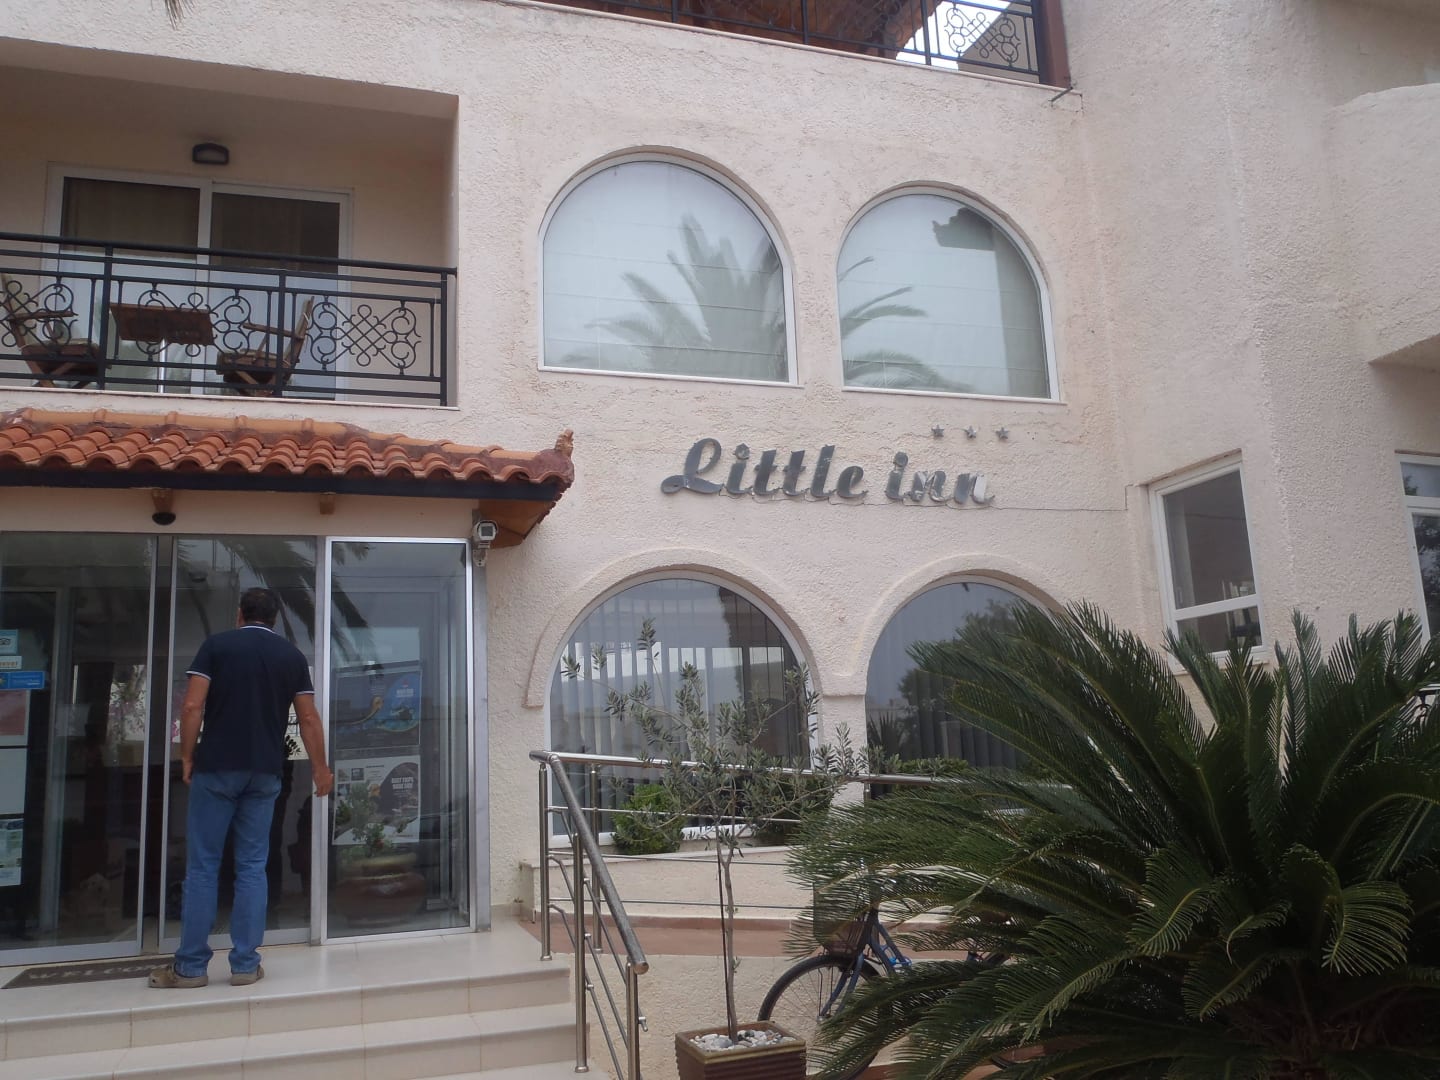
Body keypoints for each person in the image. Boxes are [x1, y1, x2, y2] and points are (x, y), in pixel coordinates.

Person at [150, 587, 333, 989]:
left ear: (239, 614)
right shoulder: (291, 656)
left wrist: (187, 756)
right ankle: (246, 965)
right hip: (265, 772)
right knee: (252, 866)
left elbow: (192, 706)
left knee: (204, 867)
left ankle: (191, 968)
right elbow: (309, 719)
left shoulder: (216, 647)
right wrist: (321, 769)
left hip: (216, 769)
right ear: (274, 618)